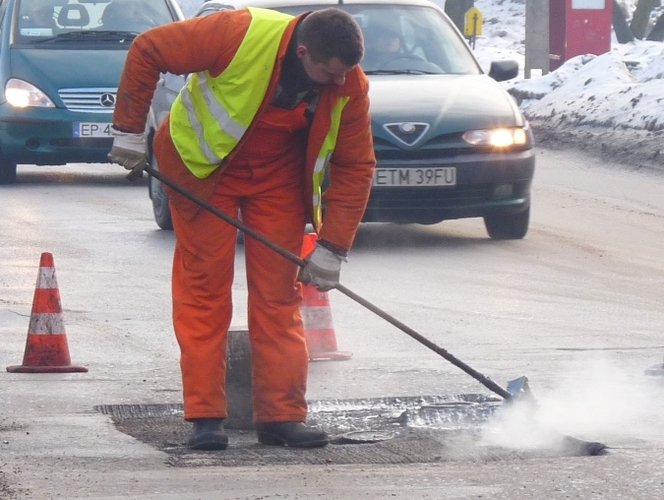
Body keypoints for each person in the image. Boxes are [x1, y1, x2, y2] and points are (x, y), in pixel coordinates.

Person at [108, 7, 375, 450]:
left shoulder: (349, 83)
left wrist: (333, 248)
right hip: (201, 169)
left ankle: (282, 417)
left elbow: (356, 165)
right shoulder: (237, 32)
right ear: (304, 51)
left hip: (276, 175)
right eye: (327, 73)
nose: (336, 82)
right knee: (205, 290)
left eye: (343, 74)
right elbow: (148, 49)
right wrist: (128, 130)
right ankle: (206, 416)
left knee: (278, 294)